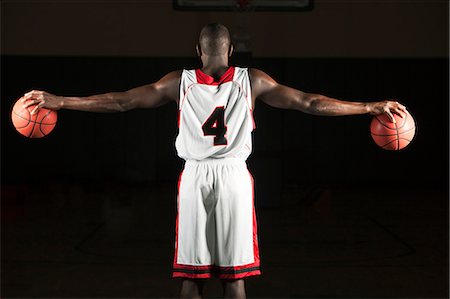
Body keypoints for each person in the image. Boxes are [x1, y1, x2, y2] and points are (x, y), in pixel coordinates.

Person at [21, 23, 406, 299]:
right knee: (235, 280)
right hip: (235, 179)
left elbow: (121, 100)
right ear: (231, 51)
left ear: (198, 51)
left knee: (190, 279)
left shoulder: (178, 81)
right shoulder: (252, 81)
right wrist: (368, 106)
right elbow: (310, 102)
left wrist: (62, 101)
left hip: (195, 178)